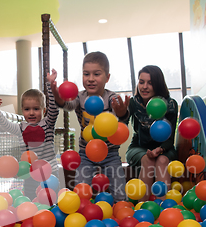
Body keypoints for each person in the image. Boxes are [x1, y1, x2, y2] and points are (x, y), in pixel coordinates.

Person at [51, 51, 129, 202]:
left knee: (119, 192)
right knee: (81, 189)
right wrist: (57, 96)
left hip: (110, 153)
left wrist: (122, 112)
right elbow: (68, 105)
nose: (91, 79)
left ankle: (121, 210)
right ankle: (81, 213)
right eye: (86, 74)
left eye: (97, 74)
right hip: (86, 153)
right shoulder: (80, 97)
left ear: (107, 77)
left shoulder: (112, 98)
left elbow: (122, 122)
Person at [0, 69, 62, 200]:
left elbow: (54, 109)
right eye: (27, 109)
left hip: (49, 172)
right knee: (31, 197)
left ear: (43, 110)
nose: (31, 113)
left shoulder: (47, 124)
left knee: (51, 199)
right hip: (30, 173)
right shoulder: (20, 128)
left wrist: (50, 86)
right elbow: (6, 125)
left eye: (36, 109)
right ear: (22, 110)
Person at [121, 65, 178, 201]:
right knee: (148, 159)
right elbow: (122, 125)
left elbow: (170, 139)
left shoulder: (170, 105)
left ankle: (165, 208)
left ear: (158, 84)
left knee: (162, 160)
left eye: (150, 83)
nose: (144, 87)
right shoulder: (134, 102)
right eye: (141, 82)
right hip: (139, 147)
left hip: (165, 148)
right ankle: (144, 208)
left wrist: (159, 149)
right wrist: (121, 112)